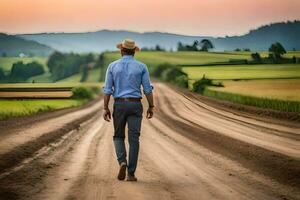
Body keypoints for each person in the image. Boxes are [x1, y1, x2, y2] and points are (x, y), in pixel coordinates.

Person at [102, 39, 154, 181]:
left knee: (118, 136)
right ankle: (131, 173)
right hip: (135, 105)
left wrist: (105, 107)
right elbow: (147, 89)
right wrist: (151, 106)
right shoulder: (141, 67)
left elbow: (107, 90)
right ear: (134, 52)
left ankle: (122, 162)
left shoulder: (112, 66)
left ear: (122, 50)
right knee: (134, 139)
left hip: (119, 104)